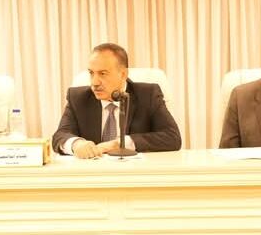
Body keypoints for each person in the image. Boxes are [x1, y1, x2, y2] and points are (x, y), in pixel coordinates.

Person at [52, 43, 181, 159]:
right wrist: (76, 144)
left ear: (123, 74)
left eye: (102, 73)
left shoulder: (147, 95)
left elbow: (172, 137)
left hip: (135, 172)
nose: (94, 82)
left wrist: (120, 144)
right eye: (91, 73)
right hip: (93, 172)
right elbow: (60, 135)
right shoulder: (78, 98)